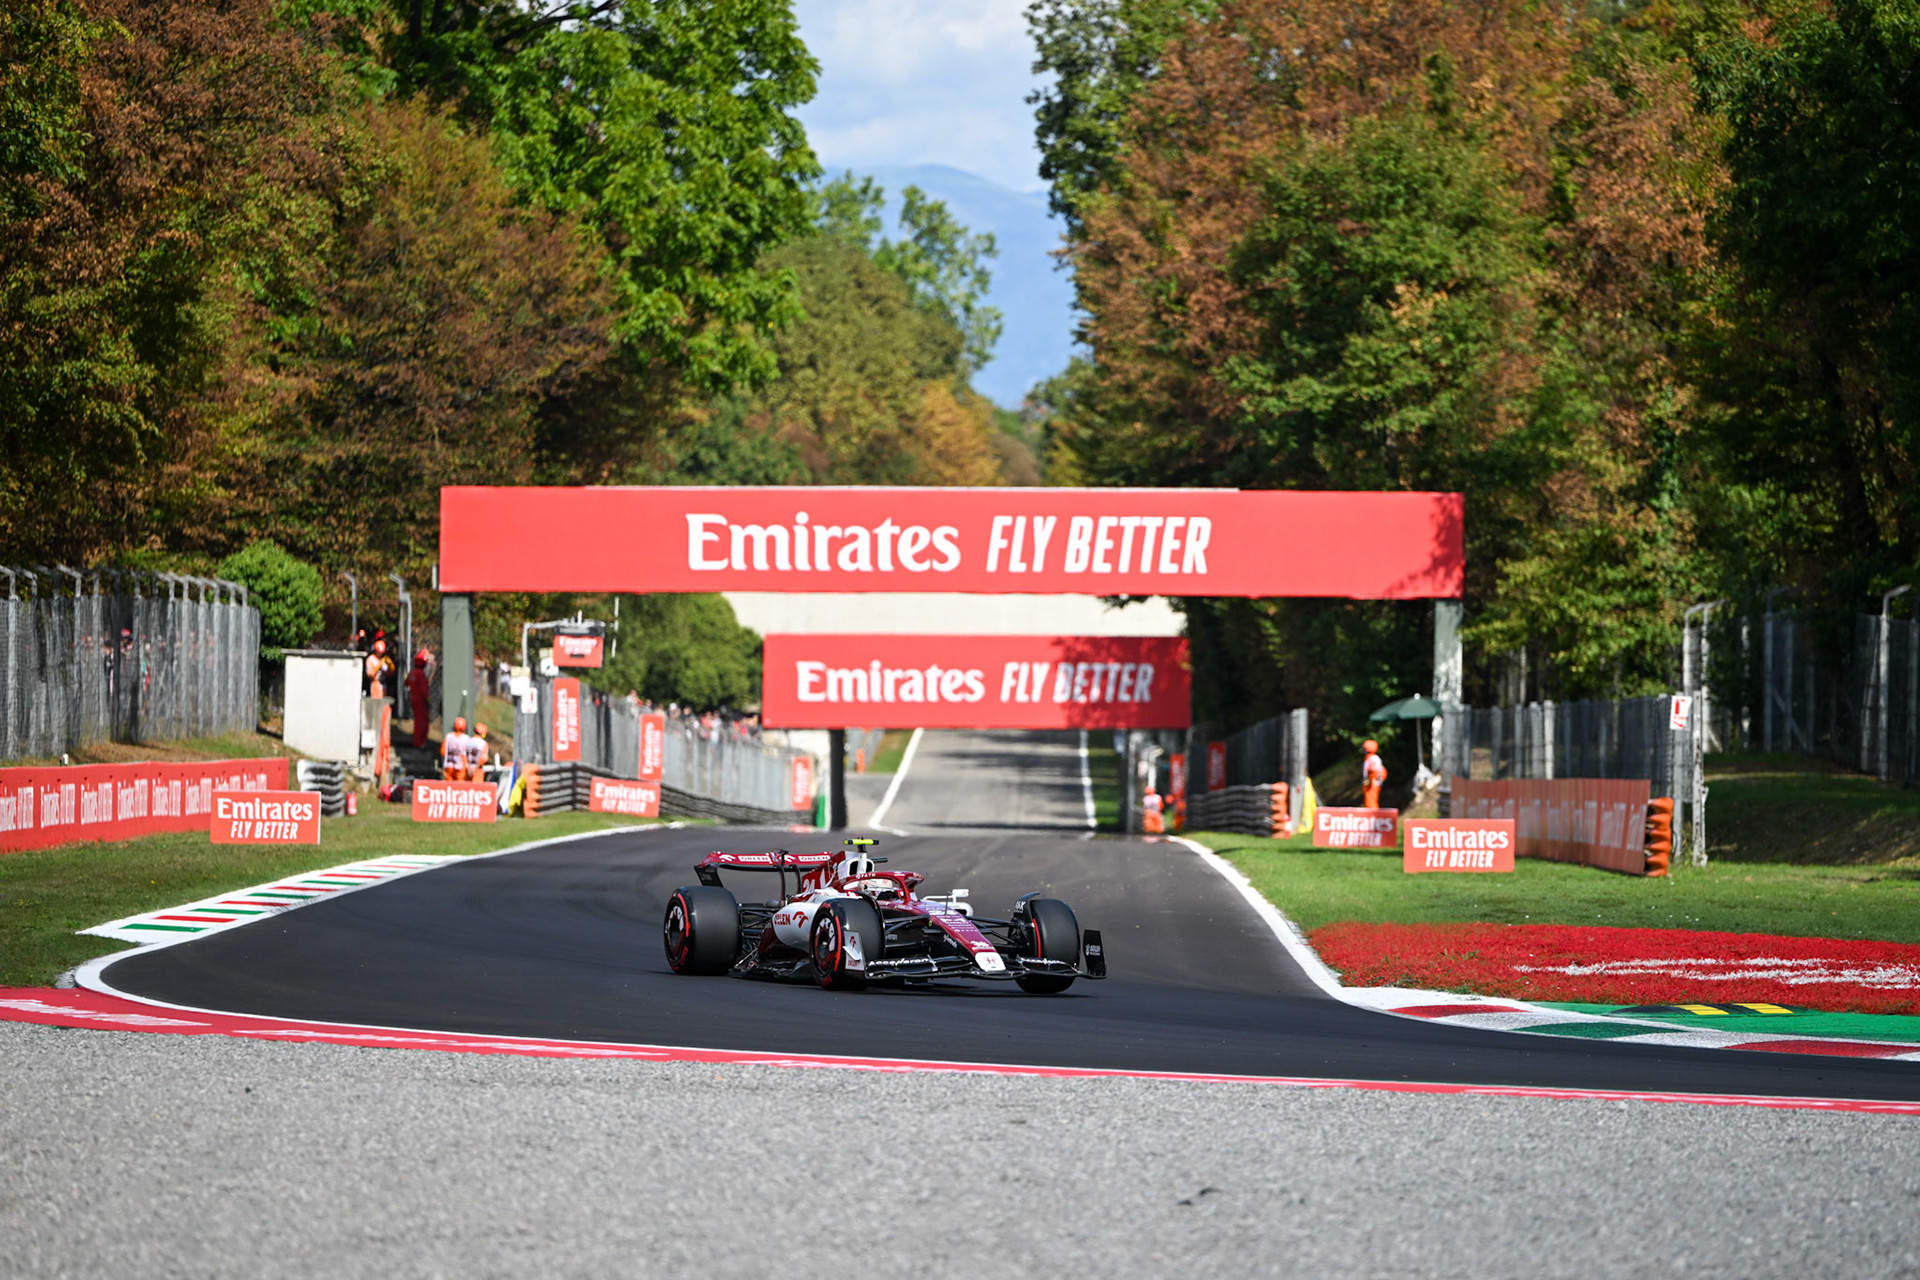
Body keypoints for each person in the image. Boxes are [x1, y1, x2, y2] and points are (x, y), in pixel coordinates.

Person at [405, 652, 431, 749]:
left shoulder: (412, 672)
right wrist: (428, 701)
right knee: (422, 722)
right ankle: (419, 742)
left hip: (413, 698)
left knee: (417, 721)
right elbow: (424, 690)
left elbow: (406, 683)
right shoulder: (421, 674)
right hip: (420, 701)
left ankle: (417, 741)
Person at [1361, 738, 1387, 809]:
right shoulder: (1374, 758)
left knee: (1371, 803)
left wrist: (1369, 780)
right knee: (1369, 802)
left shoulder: (1371, 758)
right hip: (1372, 783)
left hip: (1372, 784)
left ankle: (1374, 818)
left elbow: (1373, 770)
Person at [442, 716, 471, 781]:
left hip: (449, 763)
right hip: (461, 765)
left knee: (449, 782)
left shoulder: (449, 736)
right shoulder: (466, 738)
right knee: (460, 783)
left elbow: (443, 751)